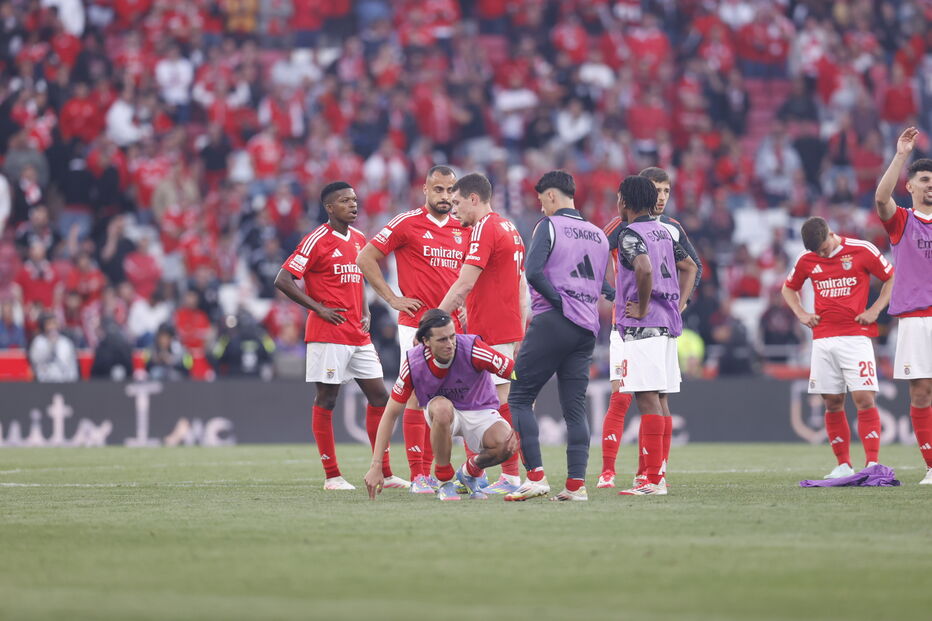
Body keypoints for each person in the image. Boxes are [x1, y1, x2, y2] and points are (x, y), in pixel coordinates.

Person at [274, 181, 406, 491]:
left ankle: (384, 473)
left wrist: (366, 309)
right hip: (328, 333)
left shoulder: (360, 238)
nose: (353, 205)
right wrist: (317, 308)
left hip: (358, 334)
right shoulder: (316, 239)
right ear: (329, 207)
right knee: (328, 398)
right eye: (345, 201)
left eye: (355, 200)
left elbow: (358, 277)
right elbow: (283, 279)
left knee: (380, 398)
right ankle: (332, 476)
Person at [356, 165, 467, 493]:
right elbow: (365, 258)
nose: (445, 196)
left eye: (450, 190)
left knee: (446, 400)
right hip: (415, 325)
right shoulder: (407, 222)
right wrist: (392, 298)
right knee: (419, 393)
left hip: (454, 327)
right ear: (425, 190)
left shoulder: (464, 226)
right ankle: (420, 475)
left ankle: (438, 471)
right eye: (439, 190)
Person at [501, 171, 611, 502]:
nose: (541, 207)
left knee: (518, 397)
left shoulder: (548, 227)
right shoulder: (598, 235)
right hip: (587, 329)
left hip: (553, 322)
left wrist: (560, 301)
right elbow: (604, 287)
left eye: (541, 200)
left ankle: (535, 477)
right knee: (574, 409)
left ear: (551, 196)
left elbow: (532, 272)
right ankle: (576, 486)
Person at [598, 167, 703, 488]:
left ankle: (652, 477)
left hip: (642, 326)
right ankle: (650, 475)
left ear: (626, 200)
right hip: (666, 325)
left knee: (646, 398)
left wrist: (641, 306)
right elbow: (691, 266)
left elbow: (642, 268)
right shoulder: (664, 232)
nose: (662, 196)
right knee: (657, 396)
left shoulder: (632, 233)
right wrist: (678, 304)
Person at [364, 309, 518, 501]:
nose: (450, 344)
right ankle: (444, 481)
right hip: (443, 413)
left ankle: (469, 472)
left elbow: (514, 372)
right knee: (442, 408)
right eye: (442, 340)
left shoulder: (472, 348)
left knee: (507, 445)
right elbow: (390, 414)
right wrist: (376, 465)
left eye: (452, 337)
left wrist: (529, 387)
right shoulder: (413, 362)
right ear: (426, 341)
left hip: (480, 410)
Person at [782, 217, 894, 478]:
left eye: (823, 248)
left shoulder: (862, 249)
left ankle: (873, 464)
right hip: (822, 339)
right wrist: (801, 313)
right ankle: (843, 464)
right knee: (832, 401)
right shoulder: (806, 260)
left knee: (864, 398)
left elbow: (890, 278)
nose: (821, 254)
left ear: (831, 233)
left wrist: (875, 310)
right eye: (816, 252)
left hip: (856, 336)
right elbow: (788, 289)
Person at [438, 172, 527, 494]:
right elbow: (518, 284)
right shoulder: (510, 228)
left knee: (497, 405)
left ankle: (510, 476)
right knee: (476, 404)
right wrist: (519, 330)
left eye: (458, 201)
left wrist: (435, 319)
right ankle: (476, 473)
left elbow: (464, 282)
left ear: (474, 199)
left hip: (491, 331)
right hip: (500, 328)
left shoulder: (484, 228)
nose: (453, 209)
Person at [874, 126, 932, 484]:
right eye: (924, 179)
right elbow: (881, 199)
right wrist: (901, 155)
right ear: (910, 186)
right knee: (922, 391)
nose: (930, 185)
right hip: (915, 319)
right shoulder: (903, 223)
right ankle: (931, 466)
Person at [29, 314, 80, 383]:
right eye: (49, 324)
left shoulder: (65, 343)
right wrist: (50, 345)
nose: (52, 327)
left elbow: (69, 366)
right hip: (44, 383)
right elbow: (36, 363)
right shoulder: (38, 342)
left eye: (54, 323)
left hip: (65, 383)